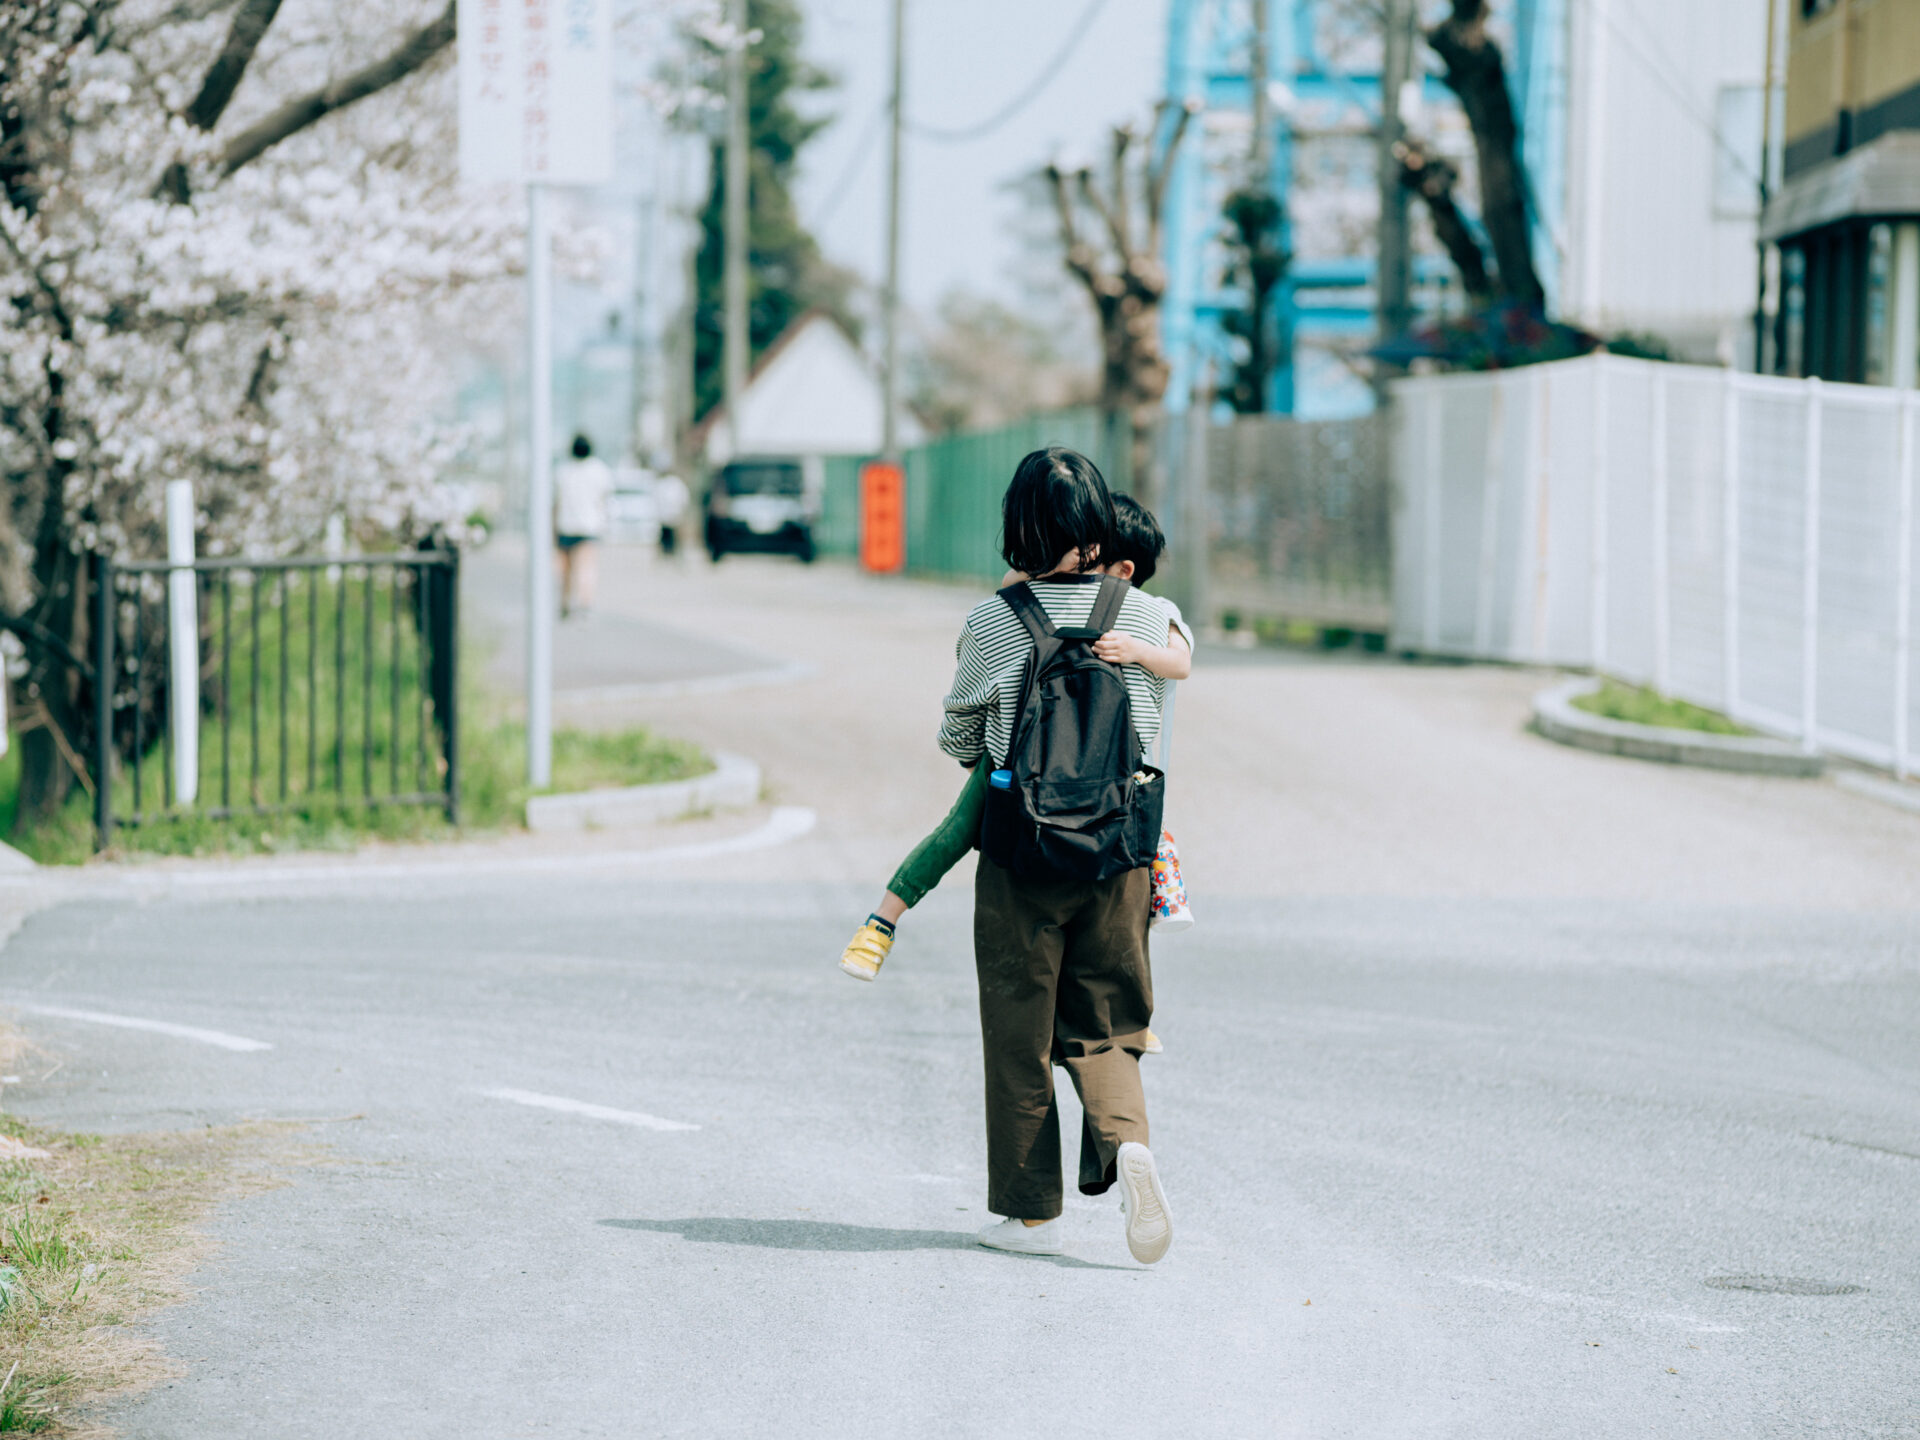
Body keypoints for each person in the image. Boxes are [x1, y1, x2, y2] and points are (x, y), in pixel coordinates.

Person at [927, 447, 1178, 1264]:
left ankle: (1031, 1214)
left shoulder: (993, 621)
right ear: (1099, 523)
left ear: (1016, 528)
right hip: (1121, 851)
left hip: (1021, 852)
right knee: (1105, 1023)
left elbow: (957, 736)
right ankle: (1126, 1140)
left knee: (1019, 1032)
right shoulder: (1146, 615)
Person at [837, 493, 1194, 995]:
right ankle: (883, 920)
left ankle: (880, 924)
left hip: (1067, 769)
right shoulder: (1045, 591)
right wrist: (1047, 565)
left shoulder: (1154, 612)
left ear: (1122, 569)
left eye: (1091, 554)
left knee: (1136, 854)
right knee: (963, 834)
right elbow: (1011, 583)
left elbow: (1181, 660)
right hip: (1064, 770)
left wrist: (1135, 649)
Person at [554, 434, 613, 618]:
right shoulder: (599, 470)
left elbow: (556, 503)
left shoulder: (563, 470)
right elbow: (605, 501)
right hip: (589, 526)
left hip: (565, 525)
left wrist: (553, 529)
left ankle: (565, 602)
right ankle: (585, 603)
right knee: (586, 567)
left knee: (566, 570)